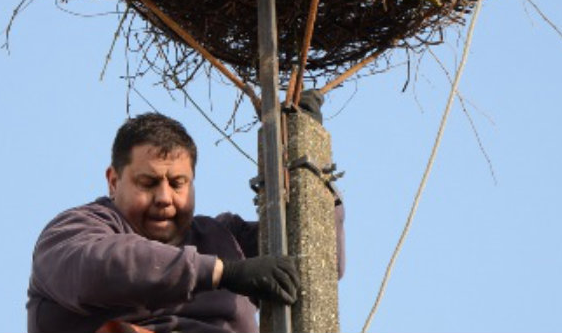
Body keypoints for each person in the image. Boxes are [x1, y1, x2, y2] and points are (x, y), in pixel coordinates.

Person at [26, 94, 344, 333]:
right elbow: (101, 268)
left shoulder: (224, 238)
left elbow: (317, 259)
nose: (164, 198)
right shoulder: (73, 234)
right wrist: (222, 273)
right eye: (148, 183)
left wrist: (309, 169)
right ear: (113, 181)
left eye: (178, 183)